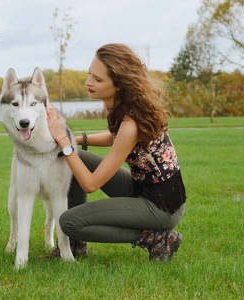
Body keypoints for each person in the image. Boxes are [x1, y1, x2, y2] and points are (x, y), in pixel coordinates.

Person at [46, 43, 186, 262]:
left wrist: (64, 141)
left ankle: (157, 239)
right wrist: (77, 141)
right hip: (143, 188)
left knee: (69, 222)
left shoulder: (132, 122)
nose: (88, 82)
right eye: (89, 75)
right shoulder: (119, 105)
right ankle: (75, 246)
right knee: (74, 158)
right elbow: (116, 137)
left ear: (119, 85)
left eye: (98, 80)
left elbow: (91, 184)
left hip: (162, 206)